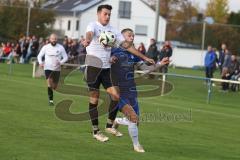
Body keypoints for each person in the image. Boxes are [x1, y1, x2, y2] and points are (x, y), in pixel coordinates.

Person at [82, 4, 155, 142]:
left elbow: (127, 45)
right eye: (105, 14)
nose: (107, 16)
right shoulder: (92, 25)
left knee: (115, 96)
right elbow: (89, 34)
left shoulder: (113, 30)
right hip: (92, 67)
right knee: (94, 99)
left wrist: (144, 57)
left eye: (109, 14)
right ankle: (96, 131)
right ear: (99, 14)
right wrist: (87, 40)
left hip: (106, 69)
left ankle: (109, 125)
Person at [110, 28, 169, 152]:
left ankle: (118, 120)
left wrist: (160, 64)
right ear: (121, 37)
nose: (132, 37)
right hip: (118, 90)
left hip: (131, 90)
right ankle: (137, 145)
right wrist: (109, 60)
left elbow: (145, 69)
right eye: (129, 35)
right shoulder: (113, 50)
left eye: (133, 36)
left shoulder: (134, 54)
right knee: (133, 117)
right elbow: (103, 64)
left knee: (136, 121)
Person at [37, 34, 68, 106]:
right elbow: (39, 56)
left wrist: (60, 62)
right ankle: (51, 101)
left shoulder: (60, 48)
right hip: (47, 68)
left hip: (57, 69)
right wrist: (40, 62)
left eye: (55, 39)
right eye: (52, 39)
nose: (54, 40)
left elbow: (65, 57)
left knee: (54, 86)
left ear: (57, 40)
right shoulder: (46, 47)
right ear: (50, 39)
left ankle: (53, 89)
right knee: (49, 84)